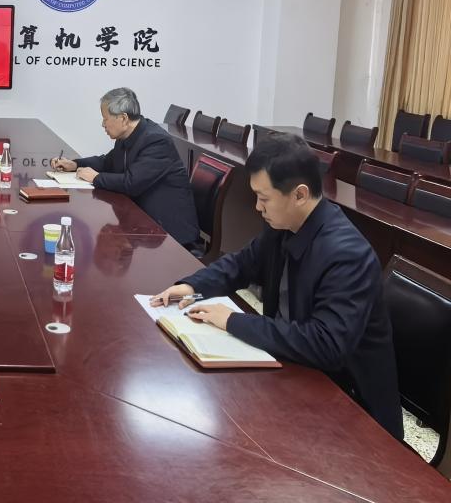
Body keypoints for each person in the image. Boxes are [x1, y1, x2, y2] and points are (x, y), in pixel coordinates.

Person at [150, 133, 403, 439]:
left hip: (352, 409)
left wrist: (232, 321)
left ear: (299, 195)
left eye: (264, 198)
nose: (258, 207)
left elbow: (326, 345)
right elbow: (241, 264)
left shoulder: (347, 255)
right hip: (296, 373)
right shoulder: (284, 226)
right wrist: (192, 286)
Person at [52, 88, 200, 250]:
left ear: (123, 118)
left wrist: (96, 178)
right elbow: (108, 162)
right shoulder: (128, 135)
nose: (103, 124)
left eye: (105, 119)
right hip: (144, 224)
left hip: (169, 236)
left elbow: (132, 183)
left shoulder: (156, 141)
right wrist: (75, 164)